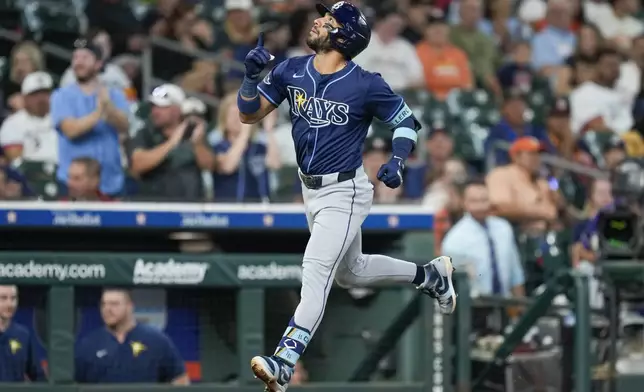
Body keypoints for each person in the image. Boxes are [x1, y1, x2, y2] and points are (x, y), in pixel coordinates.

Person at [235, 2, 456, 391]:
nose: (318, 20)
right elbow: (249, 115)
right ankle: (429, 275)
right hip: (310, 188)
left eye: (328, 20)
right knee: (349, 272)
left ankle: (286, 359)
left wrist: (399, 158)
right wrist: (251, 79)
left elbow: (406, 121)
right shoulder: (290, 69)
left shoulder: (365, 82)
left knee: (315, 271)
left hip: (345, 189)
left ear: (343, 36)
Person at [51, 39, 130, 197]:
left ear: (98, 64)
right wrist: (100, 111)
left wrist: (110, 108)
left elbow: (125, 126)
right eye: (76, 58)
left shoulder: (114, 95)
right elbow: (70, 130)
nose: (78, 62)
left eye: (85, 58)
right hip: (73, 183)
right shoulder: (62, 96)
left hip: (110, 180)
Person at [75, 288, 189, 384]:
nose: (107, 309)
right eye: (103, 304)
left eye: (114, 304)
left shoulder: (156, 340)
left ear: (130, 306)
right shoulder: (89, 345)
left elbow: (180, 380)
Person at [128, 84, 215, 200]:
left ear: (177, 110)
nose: (155, 112)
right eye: (153, 107)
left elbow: (209, 166)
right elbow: (137, 166)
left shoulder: (193, 132)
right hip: (154, 205)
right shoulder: (146, 132)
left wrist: (198, 144)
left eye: (161, 107)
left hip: (190, 207)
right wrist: (172, 142)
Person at [442, 180, 525, 297]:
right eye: (474, 201)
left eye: (484, 200)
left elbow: (515, 273)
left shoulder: (504, 228)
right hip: (473, 306)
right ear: (464, 203)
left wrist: (520, 307)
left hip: (505, 302)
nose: (480, 206)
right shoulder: (454, 240)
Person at [0, 71, 57, 164]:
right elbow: (16, 162)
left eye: (45, 93)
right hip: (29, 175)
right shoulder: (12, 123)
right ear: (24, 97)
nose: (41, 99)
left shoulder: (64, 119)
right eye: (35, 94)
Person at [0, 285, 45, 382]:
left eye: (13, 298)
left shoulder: (23, 335)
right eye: (3, 298)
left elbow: (39, 377)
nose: (10, 304)